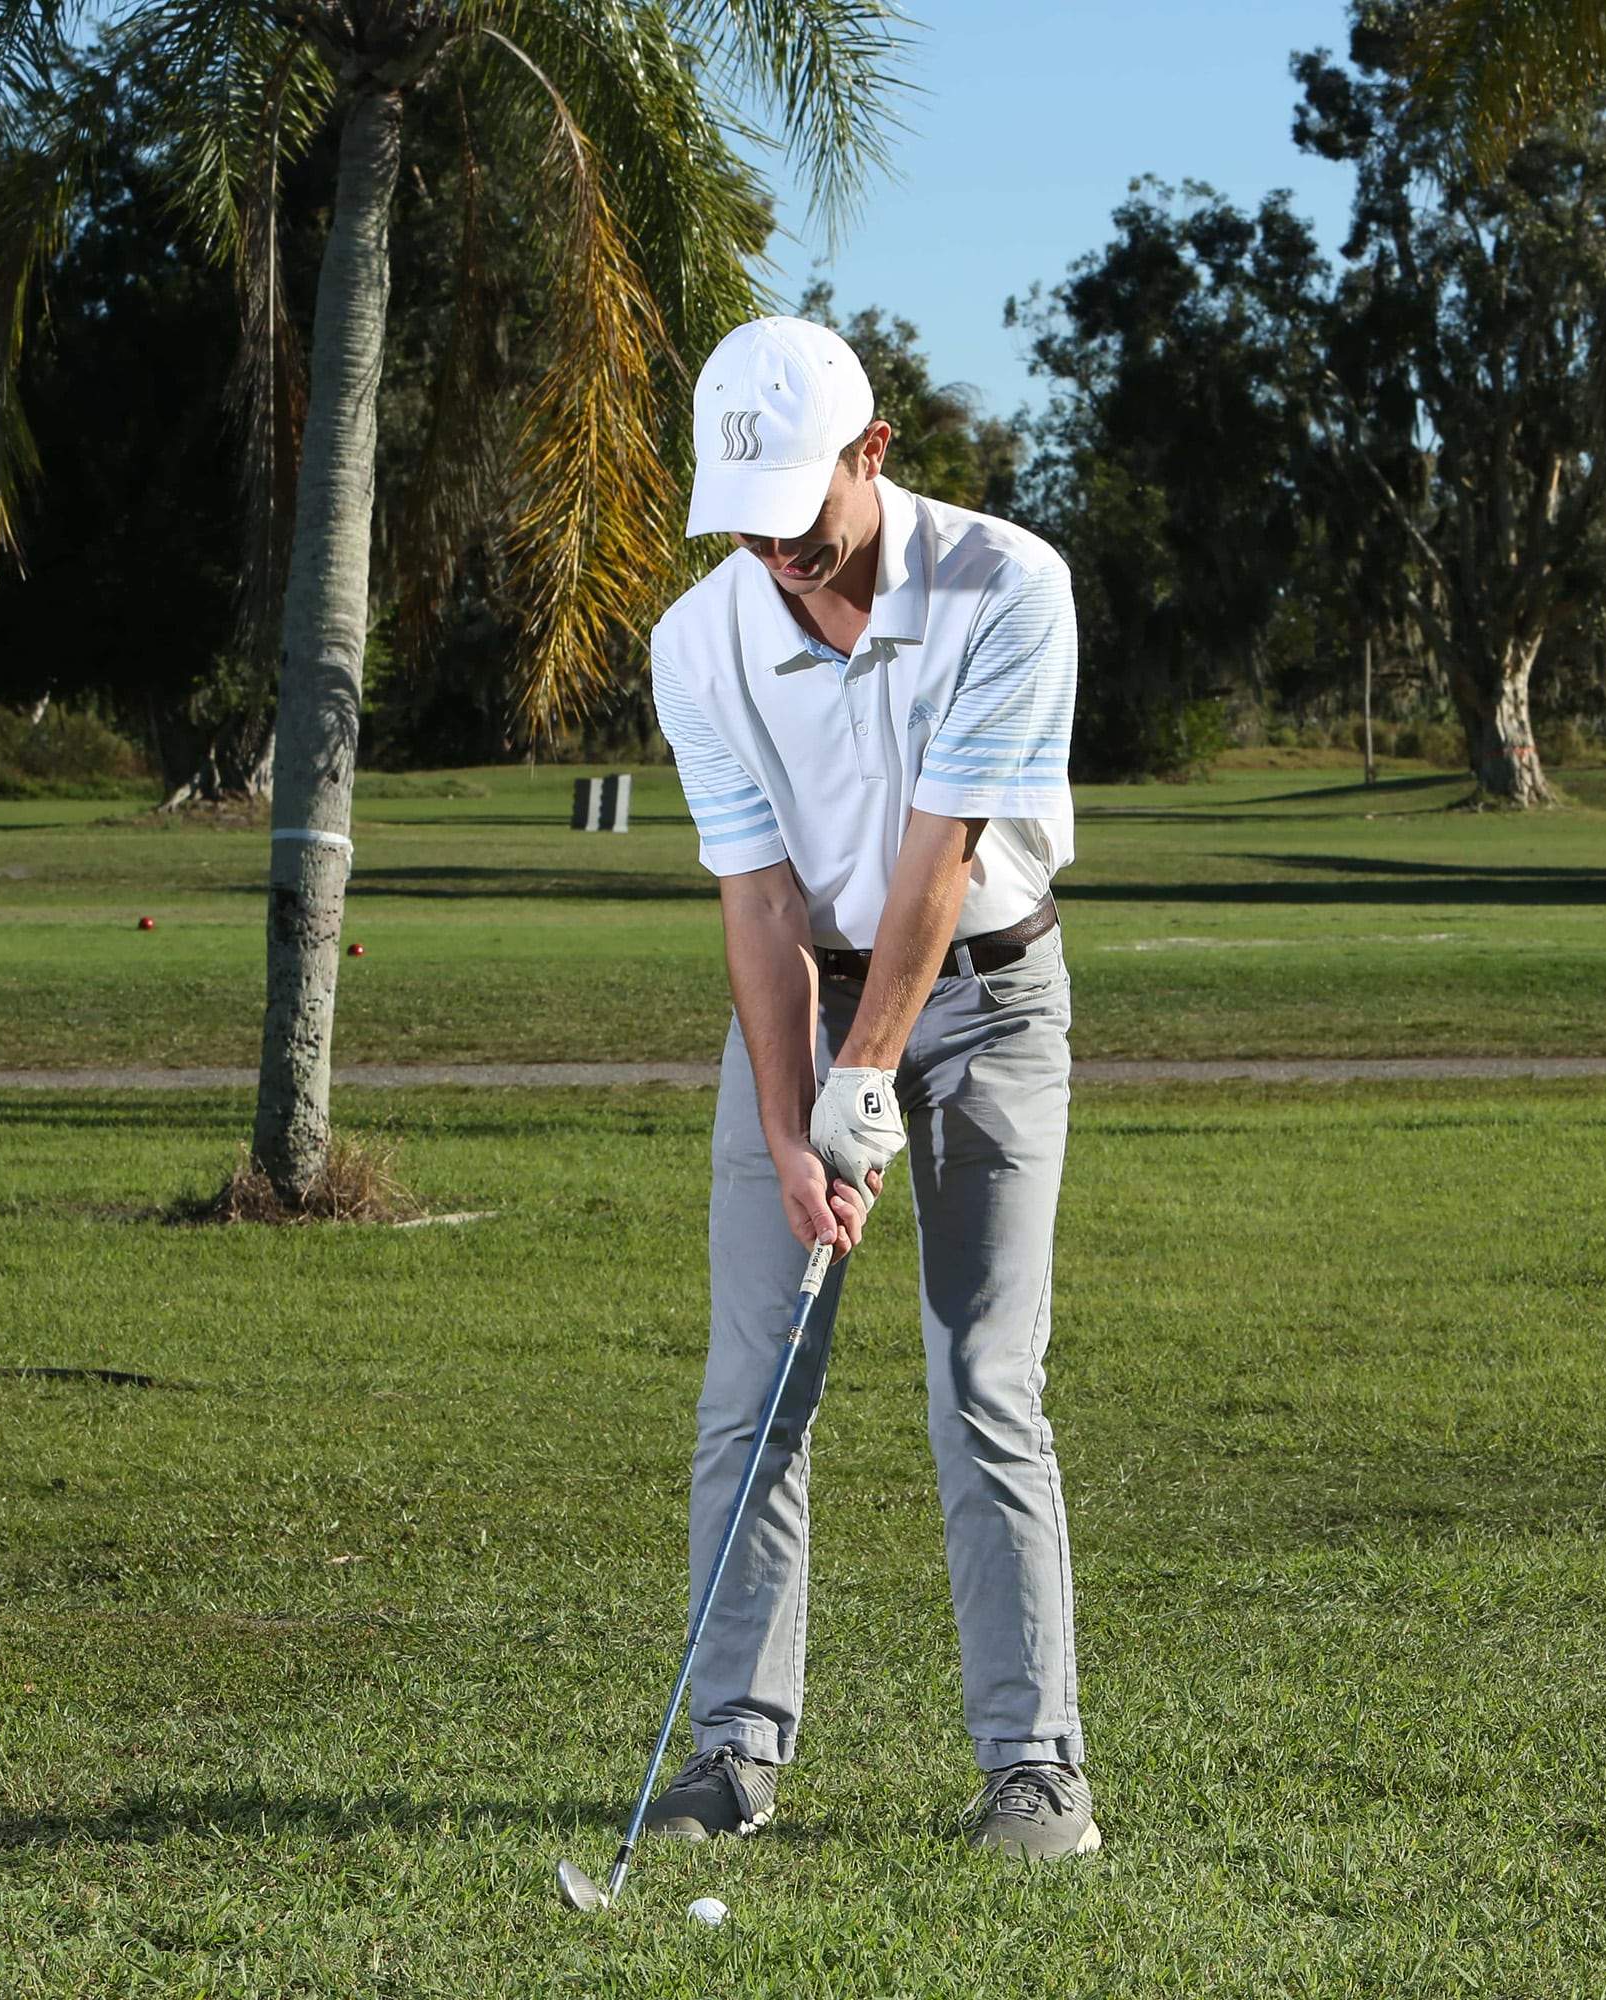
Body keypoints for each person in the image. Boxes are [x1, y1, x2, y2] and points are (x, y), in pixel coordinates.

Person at [642, 315, 1095, 1860]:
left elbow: (939, 860)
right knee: (750, 1392)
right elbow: (761, 904)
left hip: (986, 996)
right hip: (803, 1007)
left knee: (983, 1381)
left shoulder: (1008, 586)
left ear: (873, 453)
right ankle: (728, 1754)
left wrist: (868, 1082)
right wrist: (790, 1123)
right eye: (746, 523)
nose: (777, 549)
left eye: (800, 512)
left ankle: (1037, 1772)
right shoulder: (699, 641)